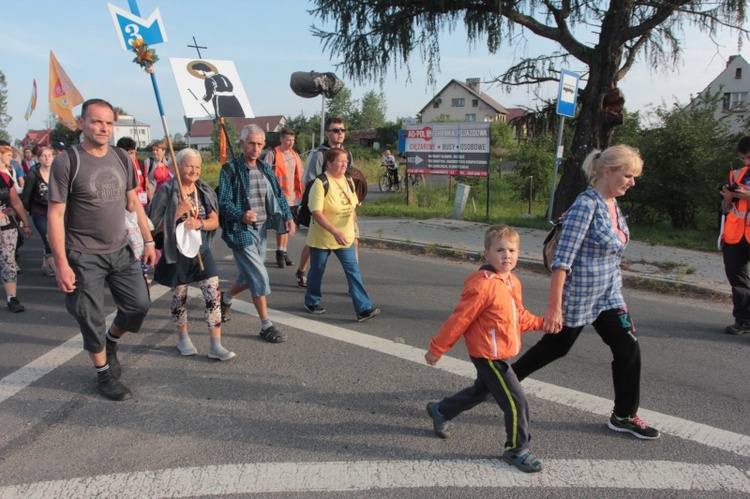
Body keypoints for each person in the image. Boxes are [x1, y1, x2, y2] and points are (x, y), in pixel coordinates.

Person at [512, 144, 661, 440]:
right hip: (579, 295)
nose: (633, 182)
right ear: (608, 172)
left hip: (609, 295)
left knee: (628, 348)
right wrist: (554, 308)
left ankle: (624, 415)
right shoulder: (586, 205)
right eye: (628, 175)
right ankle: (501, 382)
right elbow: (562, 261)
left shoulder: (613, 203)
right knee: (555, 347)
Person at [48, 98, 156, 401]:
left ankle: (111, 341)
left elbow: (133, 202)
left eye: (108, 122)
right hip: (82, 254)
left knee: (139, 305)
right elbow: (56, 216)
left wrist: (148, 241)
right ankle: (103, 373)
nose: (103, 128)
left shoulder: (122, 157)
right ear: (81, 123)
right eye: (96, 121)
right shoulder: (67, 161)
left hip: (120, 249)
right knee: (89, 315)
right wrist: (61, 263)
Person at [425, 225, 549, 473]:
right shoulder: (482, 286)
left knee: (482, 391)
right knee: (516, 402)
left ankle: (441, 410)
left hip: (502, 350)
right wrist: (437, 348)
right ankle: (516, 449)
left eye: (512, 250)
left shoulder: (512, 281)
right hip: (489, 355)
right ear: (487, 254)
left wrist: (543, 323)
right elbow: (459, 320)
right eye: (500, 250)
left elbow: (518, 317)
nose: (507, 255)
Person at [148, 148, 235, 361]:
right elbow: (153, 226)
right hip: (176, 251)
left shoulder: (203, 190)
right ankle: (183, 338)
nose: (195, 170)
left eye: (197, 166)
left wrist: (200, 223)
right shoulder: (167, 191)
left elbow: (215, 220)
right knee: (179, 297)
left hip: (201, 249)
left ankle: (216, 345)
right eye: (189, 166)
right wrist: (178, 211)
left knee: (213, 296)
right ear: (177, 167)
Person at [217, 124, 296, 342]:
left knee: (249, 275)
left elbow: (279, 194)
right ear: (241, 143)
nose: (255, 148)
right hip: (240, 230)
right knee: (259, 274)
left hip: (261, 230)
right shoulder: (229, 170)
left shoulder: (264, 167)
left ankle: (225, 298)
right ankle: (266, 325)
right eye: (251, 143)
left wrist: (288, 217)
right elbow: (222, 202)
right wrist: (241, 214)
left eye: (260, 144)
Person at [304, 148, 380, 322]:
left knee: (353, 270)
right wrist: (335, 231)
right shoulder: (321, 182)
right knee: (317, 270)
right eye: (340, 161)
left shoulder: (348, 180)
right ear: (329, 163)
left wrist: (352, 229)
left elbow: (352, 205)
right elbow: (316, 212)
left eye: (346, 161)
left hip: (345, 236)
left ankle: (363, 309)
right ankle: (312, 301)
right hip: (323, 237)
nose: (345, 164)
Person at [295, 117, 355, 288]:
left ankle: (353, 284)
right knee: (314, 243)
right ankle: (301, 271)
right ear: (327, 133)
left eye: (342, 130)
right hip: (322, 208)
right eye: (336, 130)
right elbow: (310, 181)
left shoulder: (347, 154)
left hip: (344, 208)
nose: (340, 133)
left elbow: (351, 178)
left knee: (353, 241)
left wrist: (354, 200)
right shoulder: (319, 154)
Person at [719, 135, 750, 334]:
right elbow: (726, 208)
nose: (746, 162)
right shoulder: (737, 174)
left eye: (749, 158)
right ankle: (744, 321)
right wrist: (728, 199)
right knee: (737, 280)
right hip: (734, 235)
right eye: (743, 158)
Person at [263, 127, 303, 269]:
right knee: (281, 226)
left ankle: (284, 251)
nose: (290, 143)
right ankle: (279, 252)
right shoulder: (273, 154)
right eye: (287, 140)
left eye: (292, 140)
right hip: (278, 197)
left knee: (288, 227)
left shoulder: (295, 155)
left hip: (291, 197)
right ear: (281, 139)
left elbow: (300, 176)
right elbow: (265, 174)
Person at [0, 144, 32, 312]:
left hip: (6, 224)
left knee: (8, 259)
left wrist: (25, 223)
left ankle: (12, 298)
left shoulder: (6, 177)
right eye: (5, 154)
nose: (10, 157)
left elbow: (15, 201)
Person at [21, 146, 56, 276]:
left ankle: (46, 265)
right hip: (39, 212)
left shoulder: (57, 173)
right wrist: (27, 214)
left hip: (56, 212)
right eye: (43, 156)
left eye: (49, 155)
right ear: (38, 158)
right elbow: (26, 197)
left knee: (58, 239)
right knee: (48, 239)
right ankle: (58, 272)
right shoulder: (32, 175)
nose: (47, 158)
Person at [116, 137, 152, 208]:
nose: (130, 156)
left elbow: (147, 186)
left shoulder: (141, 164)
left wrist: (153, 204)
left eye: (132, 153)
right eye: (127, 154)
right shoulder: (117, 167)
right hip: (127, 206)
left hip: (143, 204)